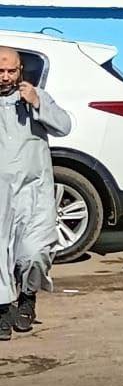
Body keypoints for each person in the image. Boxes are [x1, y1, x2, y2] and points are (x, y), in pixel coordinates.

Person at [0, 48, 72, 340]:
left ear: (21, 71)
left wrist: (38, 102)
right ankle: (2, 310)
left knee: (36, 253)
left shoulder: (35, 96)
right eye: (0, 72)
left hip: (33, 192)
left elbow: (64, 126)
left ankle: (27, 296)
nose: (5, 77)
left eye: (11, 71)